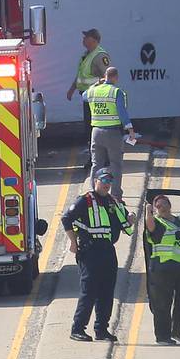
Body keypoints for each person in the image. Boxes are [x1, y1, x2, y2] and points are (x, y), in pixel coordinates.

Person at [62, 168, 136, 342]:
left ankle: (101, 329)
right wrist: (73, 242)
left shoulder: (112, 202)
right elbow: (66, 218)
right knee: (89, 291)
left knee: (107, 291)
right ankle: (78, 328)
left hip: (107, 250)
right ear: (95, 180)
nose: (106, 185)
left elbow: (125, 224)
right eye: (103, 181)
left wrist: (130, 217)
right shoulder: (85, 200)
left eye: (109, 182)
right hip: (89, 250)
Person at [145, 194, 180, 345]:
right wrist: (148, 212)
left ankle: (177, 331)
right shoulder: (156, 221)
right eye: (158, 206)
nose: (162, 208)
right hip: (162, 267)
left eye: (164, 204)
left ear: (170, 205)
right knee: (162, 304)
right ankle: (163, 336)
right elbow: (150, 228)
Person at [83, 67, 135, 202]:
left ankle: (93, 194)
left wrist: (95, 84)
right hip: (112, 133)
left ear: (104, 76)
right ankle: (116, 196)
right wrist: (130, 129)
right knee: (116, 164)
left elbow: (84, 96)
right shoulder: (116, 92)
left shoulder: (93, 91)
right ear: (115, 77)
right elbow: (122, 111)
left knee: (96, 164)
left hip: (96, 132)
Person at [67, 29, 111, 160]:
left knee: (97, 130)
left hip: (97, 99)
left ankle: (102, 160)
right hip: (88, 98)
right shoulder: (86, 55)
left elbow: (108, 77)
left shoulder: (99, 56)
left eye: (86, 37)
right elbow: (81, 76)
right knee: (90, 131)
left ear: (93, 40)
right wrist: (72, 89)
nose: (83, 40)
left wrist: (96, 89)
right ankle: (95, 159)